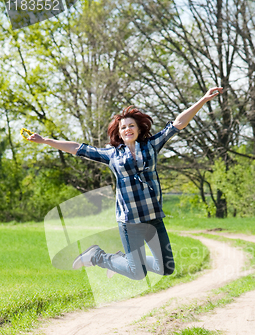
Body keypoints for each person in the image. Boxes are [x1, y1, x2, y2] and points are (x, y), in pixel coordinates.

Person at [28, 87, 223, 280]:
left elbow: (178, 124)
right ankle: (97, 256)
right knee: (137, 273)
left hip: (153, 217)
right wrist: (46, 140)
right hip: (130, 221)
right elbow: (77, 148)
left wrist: (203, 100)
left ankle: (125, 259)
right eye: (123, 127)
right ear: (119, 134)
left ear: (138, 129)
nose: (127, 129)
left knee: (166, 268)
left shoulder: (151, 145)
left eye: (131, 126)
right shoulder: (112, 155)